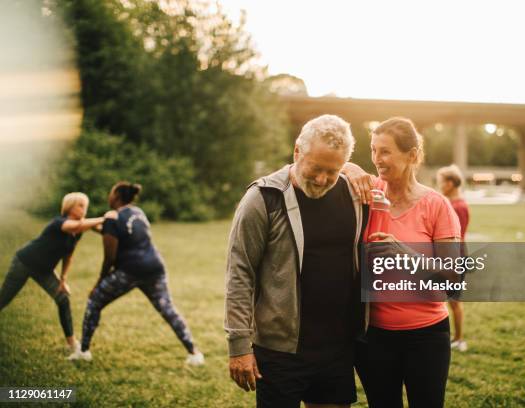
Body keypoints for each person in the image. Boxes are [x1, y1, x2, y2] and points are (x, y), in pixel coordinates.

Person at [225, 114, 367, 408]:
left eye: (333, 170)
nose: (322, 179)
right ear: (297, 152)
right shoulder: (263, 197)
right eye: (316, 168)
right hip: (280, 351)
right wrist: (239, 345)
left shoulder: (353, 194)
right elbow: (240, 272)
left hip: (337, 347)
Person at [343, 117, 461, 408]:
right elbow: (333, 169)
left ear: (411, 155)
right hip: (375, 337)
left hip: (427, 336)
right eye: (373, 150)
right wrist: (351, 166)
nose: (377, 159)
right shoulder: (368, 194)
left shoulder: (437, 205)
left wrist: (405, 253)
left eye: (385, 151)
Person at [68, 182, 204, 365]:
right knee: (168, 310)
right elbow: (123, 234)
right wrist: (95, 226)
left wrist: (99, 281)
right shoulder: (137, 212)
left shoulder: (112, 218)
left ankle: (83, 351)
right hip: (154, 267)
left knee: (95, 301)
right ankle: (195, 353)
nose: (108, 196)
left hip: (130, 270)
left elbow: (110, 257)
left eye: (110, 193)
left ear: (116, 196)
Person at [0, 193, 103, 351]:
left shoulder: (79, 231)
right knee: (4, 298)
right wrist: (103, 218)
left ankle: (72, 343)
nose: (85, 209)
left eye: (86, 206)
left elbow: (68, 255)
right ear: (69, 207)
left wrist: (63, 279)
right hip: (25, 262)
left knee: (63, 299)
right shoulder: (59, 222)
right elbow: (74, 226)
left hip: (44, 270)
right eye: (81, 205)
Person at [437, 164, 470, 352]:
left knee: (454, 302)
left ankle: (458, 339)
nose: (440, 185)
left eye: (442, 182)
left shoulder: (458, 206)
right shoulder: (452, 203)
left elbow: (456, 237)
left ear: (450, 183)